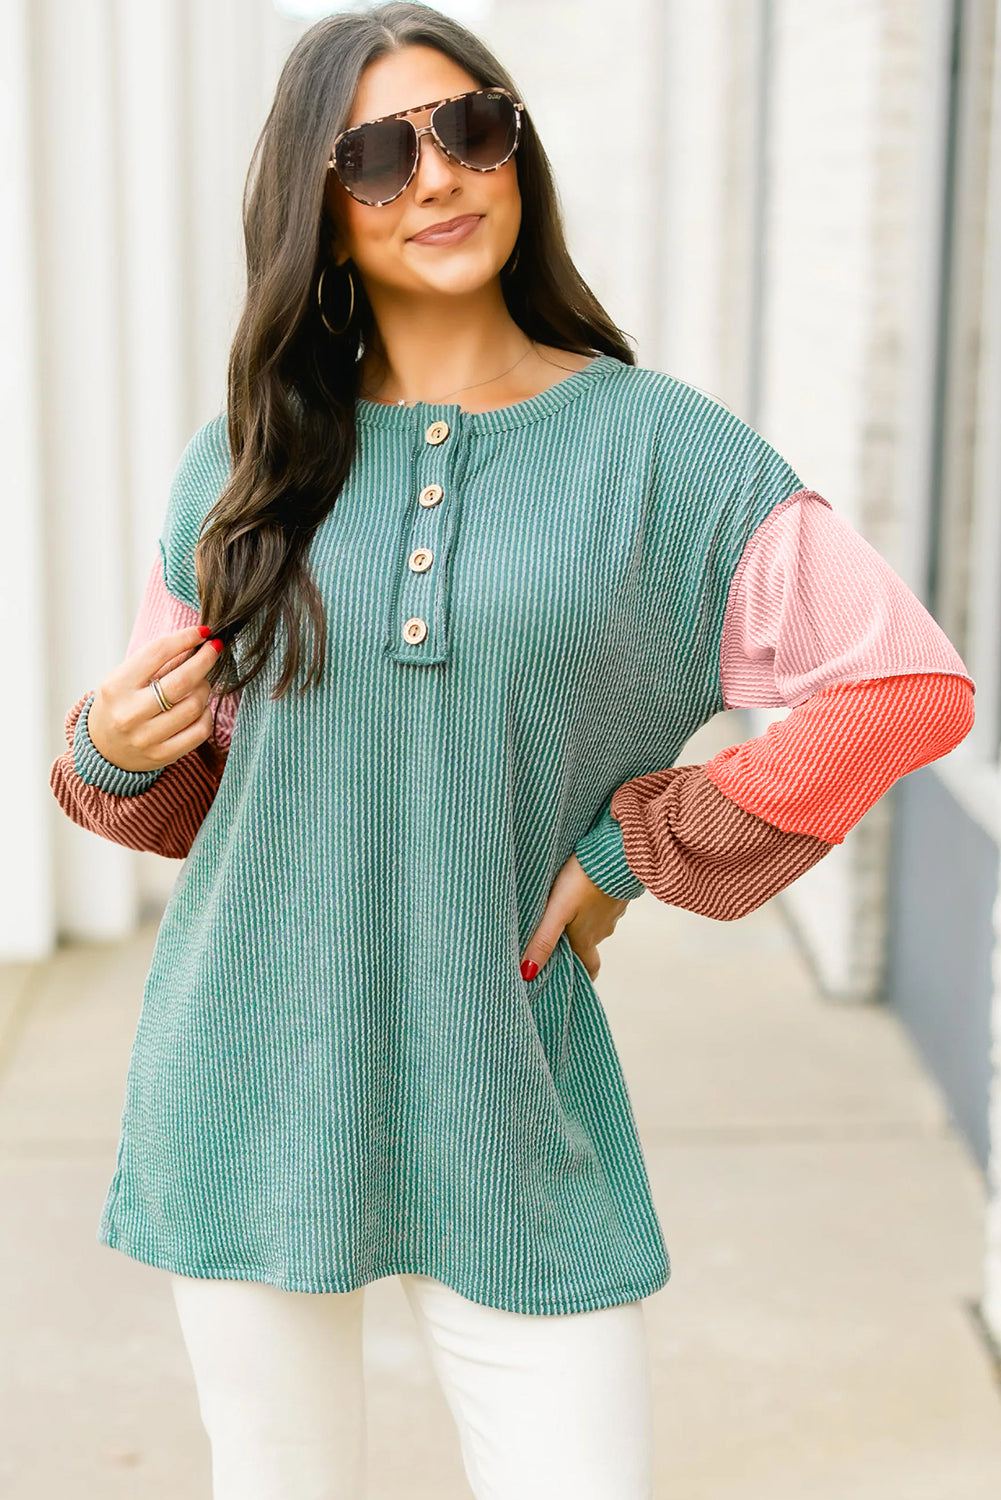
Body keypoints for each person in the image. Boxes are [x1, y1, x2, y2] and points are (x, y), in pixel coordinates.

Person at [48, 5, 975, 1498]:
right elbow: (169, 793)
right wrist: (107, 743)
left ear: (514, 153)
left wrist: (635, 851)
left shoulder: (663, 453)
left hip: (508, 1087)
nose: (437, 177)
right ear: (318, 210)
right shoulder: (241, 463)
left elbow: (903, 687)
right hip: (246, 1078)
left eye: (470, 127)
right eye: (375, 155)